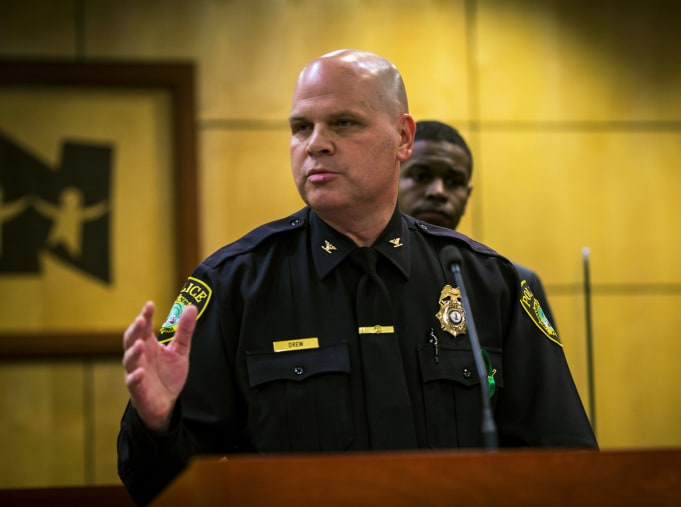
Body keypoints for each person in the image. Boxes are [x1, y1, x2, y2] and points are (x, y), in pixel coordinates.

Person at [118, 49, 597, 506]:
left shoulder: (488, 282)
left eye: (343, 123)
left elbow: (566, 461)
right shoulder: (236, 283)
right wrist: (157, 423)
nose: (316, 144)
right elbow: (154, 489)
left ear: (403, 137)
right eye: (301, 127)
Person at [398, 120, 560, 327]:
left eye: (454, 182)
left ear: (467, 195)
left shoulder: (512, 283)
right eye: (421, 176)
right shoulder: (369, 275)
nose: (438, 191)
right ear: (393, 180)